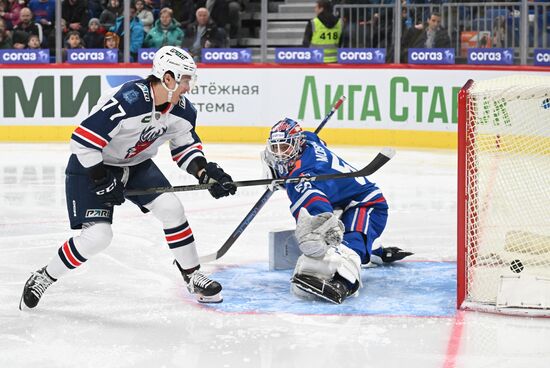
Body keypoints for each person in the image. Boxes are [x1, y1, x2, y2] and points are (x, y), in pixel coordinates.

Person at [20, 46, 237, 310]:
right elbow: (84, 141)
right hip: (93, 164)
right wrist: (100, 177)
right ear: (168, 78)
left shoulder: (183, 111)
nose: (189, 87)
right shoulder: (129, 99)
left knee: (172, 208)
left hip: (136, 165)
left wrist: (205, 172)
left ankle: (192, 276)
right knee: (98, 237)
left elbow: (185, 149)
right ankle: (44, 276)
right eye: (186, 79)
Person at [261, 118, 412, 304]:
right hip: (343, 200)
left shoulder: (303, 178)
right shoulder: (308, 140)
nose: (279, 154)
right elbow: (315, 138)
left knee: (348, 247)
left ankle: (344, 283)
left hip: (366, 202)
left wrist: (321, 231)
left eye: (284, 147)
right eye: (275, 148)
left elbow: (317, 211)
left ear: (297, 144)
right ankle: (374, 250)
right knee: (345, 241)